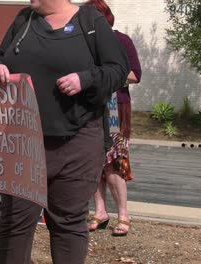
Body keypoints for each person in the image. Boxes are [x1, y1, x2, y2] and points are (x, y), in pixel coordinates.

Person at [0, 0, 130, 263]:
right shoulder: (24, 20)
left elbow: (118, 69)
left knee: (68, 223)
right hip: (23, 141)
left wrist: (85, 79)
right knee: (14, 220)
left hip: (77, 140)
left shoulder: (90, 21)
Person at [86, 0, 142, 237]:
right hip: (90, 107)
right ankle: (100, 212)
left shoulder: (122, 40)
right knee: (94, 161)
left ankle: (123, 214)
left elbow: (134, 74)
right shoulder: (86, 43)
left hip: (115, 106)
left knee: (115, 161)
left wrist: (105, 78)